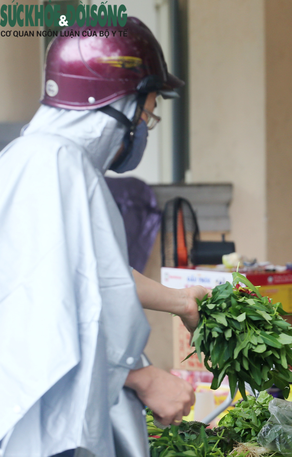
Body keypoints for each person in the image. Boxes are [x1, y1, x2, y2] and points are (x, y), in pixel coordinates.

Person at [0, 18, 208, 457]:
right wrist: (143, 377)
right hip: (42, 432)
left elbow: (92, 273)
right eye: (148, 111)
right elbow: (39, 321)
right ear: (117, 103)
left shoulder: (44, 158)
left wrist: (181, 301)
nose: (146, 126)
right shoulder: (54, 166)